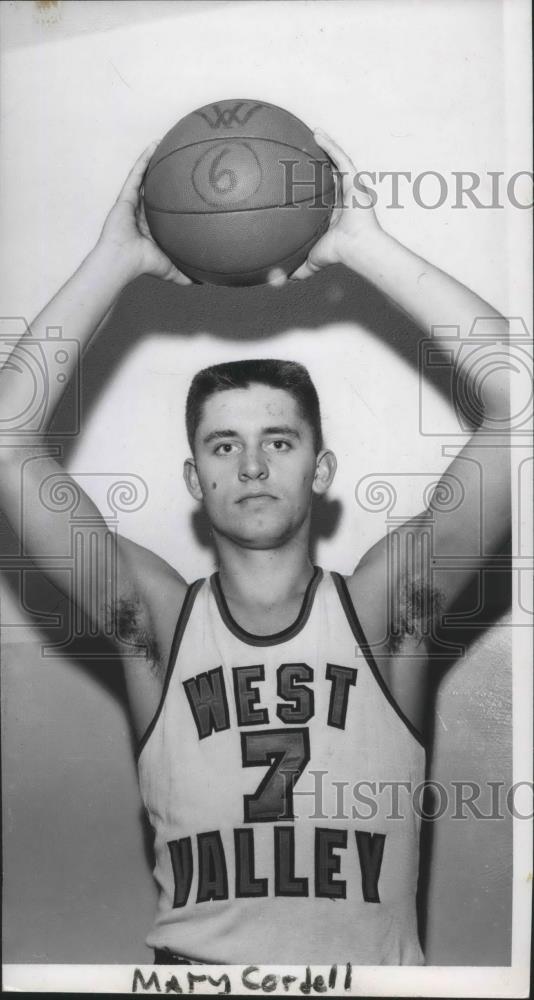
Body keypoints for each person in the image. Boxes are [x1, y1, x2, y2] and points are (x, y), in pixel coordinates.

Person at [0, 131, 510, 965]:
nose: (252, 464)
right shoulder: (156, 623)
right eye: (223, 445)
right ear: (195, 478)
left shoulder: (387, 611)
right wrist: (112, 260)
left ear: (322, 469)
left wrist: (363, 245)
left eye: (280, 440)